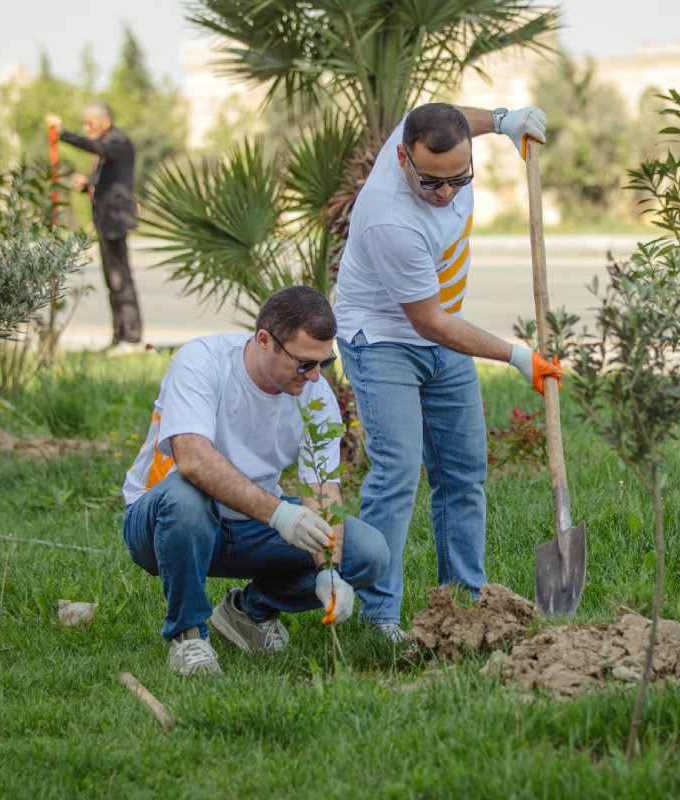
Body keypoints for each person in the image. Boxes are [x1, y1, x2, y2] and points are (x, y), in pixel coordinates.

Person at [333, 103, 563, 642]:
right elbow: (430, 322)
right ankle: (378, 617)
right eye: (431, 181)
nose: (445, 193)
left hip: (444, 333)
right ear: (402, 158)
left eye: (459, 179)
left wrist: (503, 120)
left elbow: (451, 113)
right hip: (384, 340)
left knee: (464, 469)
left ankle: (463, 600)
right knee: (397, 472)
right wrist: (515, 356)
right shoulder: (391, 218)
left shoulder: (435, 140)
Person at [121, 286, 390, 675]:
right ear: (265, 340)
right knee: (187, 497)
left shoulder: (315, 393)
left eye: (324, 363)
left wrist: (328, 569)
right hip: (163, 524)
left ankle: (248, 612)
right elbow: (193, 460)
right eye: (304, 363)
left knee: (367, 552)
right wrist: (279, 514)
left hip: (251, 526)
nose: (315, 376)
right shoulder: (202, 363)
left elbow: (322, 489)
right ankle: (188, 636)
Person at [44, 103, 144, 352]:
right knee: (112, 281)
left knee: (121, 280)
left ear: (105, 121)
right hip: (104, 220)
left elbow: (99, 148)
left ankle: (132, 338)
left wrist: (63, 134)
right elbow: (109, 182)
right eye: (84, 123)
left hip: (115, 220)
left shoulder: (117, 141)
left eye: (90, 123)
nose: (86, 128)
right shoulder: (107, 147)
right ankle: (119, 335)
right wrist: (88, 184)